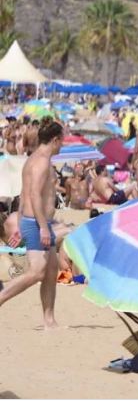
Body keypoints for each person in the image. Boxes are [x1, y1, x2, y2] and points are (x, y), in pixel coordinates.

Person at [0, 120, 65, 329]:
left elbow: (23, 194)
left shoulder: (32, 159)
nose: (62, 146)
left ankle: (49, 320)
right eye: (61, 141)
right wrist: (43, 227)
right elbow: (35, 195)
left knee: (51, 269)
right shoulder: (42, 162)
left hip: (34, 221)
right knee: (37, 271)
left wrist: (18, 223)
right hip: (38, 223)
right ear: (55, 140)